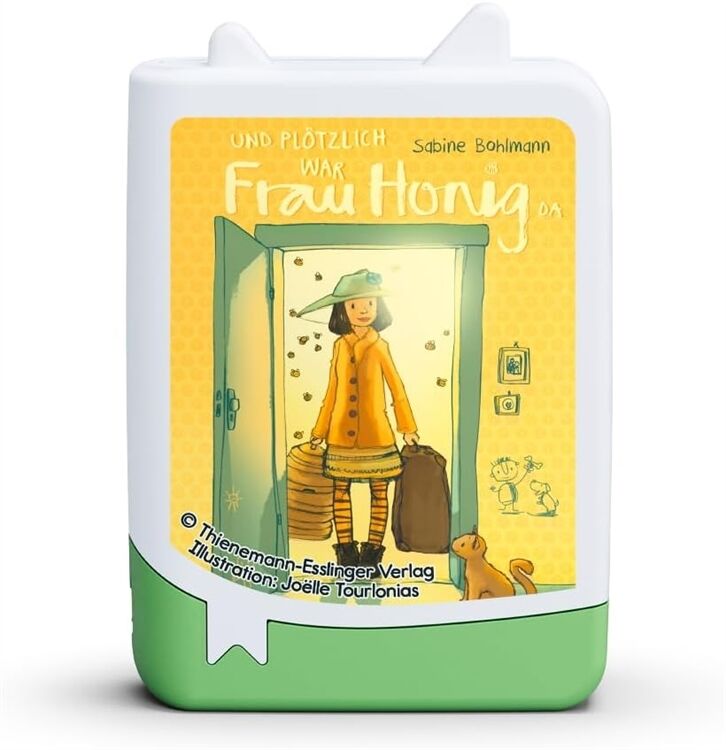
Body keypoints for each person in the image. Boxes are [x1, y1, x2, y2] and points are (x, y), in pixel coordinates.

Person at [297, 269, 419, 569]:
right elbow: (332, 390)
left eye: (370, 304)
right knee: (340, 491)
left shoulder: (380, 346)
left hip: (376, 434)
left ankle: (372, 553)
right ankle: (346, 554)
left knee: (379, 493)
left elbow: (397, 387)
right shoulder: (339, 346)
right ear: (342, 310)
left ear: (379, 308)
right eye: (354, 305)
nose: (363, 310)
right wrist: (320, 430)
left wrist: (407, 428)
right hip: (340, 434)